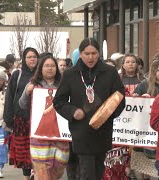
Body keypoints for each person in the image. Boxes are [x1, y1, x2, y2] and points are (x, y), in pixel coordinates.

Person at [53, 38, 126, 179]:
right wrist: (73, 111)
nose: (90, 57)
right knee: (86, 172)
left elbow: (120, 99)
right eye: (87, 53)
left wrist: (107, 115)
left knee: (98, 171)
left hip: (102, 131)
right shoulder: (70, 74)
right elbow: (59, 101)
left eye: (94, 53)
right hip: (81, 131)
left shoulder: (110, 73)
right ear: (80, 54)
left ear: (99, 54)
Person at [19, 55, 69, 179]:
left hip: (60, 134)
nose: (50, 68)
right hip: (40, 135)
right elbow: (22, 104)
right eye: (46, 66)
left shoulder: (64, 84)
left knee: (60, 163)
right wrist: (27, 93)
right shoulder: (33, 84)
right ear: (41, 68)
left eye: (52, 66)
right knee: (42, 171)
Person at [4, 47, 39, 180]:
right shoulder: (17, 75)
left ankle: (35, 175)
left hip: (39, 120)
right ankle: (26, 176)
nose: (32, 59)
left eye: (34, 57)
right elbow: (10, 96)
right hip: (21, 120)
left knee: (37, 151)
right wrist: (8, 118)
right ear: (24, 59)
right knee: (24, 153)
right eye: (29, 57)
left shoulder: (41, 75)